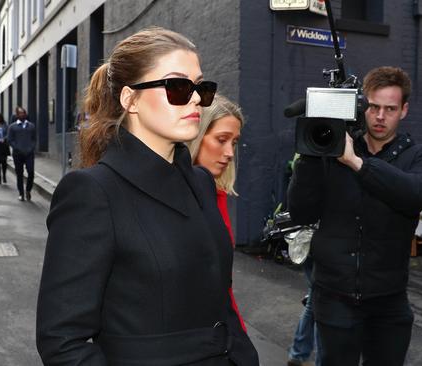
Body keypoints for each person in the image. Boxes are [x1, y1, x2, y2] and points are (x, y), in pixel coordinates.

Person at [36, 27, 259, 366]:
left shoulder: (200, 182)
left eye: (201, 86)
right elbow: (63, 341)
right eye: (178, 86)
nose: (197, 98)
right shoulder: (92, 193)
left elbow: (220, 299)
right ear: (131, 99)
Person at [287, 66, 422, 366]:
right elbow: (301, 211)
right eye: (373, 107)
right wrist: (311, 151)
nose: (380, 116)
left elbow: (417, 194)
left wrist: (357, 163)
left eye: (390, 108)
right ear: (362, 105)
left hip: (389, 300)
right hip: (333, 297)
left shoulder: (421, 157)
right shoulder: (334, 151)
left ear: (404, 110)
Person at [187, 94, 247, 333]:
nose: (230, 152)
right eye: (222, 139)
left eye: (234, 142)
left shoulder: (217, 195)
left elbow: (225, 287)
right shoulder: (170, 195)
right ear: (196, 136)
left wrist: (239, 337)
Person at [7, 106, 36, 201]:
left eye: (23, 113)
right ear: (17, 115)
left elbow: (34, 139)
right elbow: (10, 140)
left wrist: (31, 147)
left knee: (31, 172)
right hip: (18, 154)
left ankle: (28, 190)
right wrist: (17, 147)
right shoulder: (12, 127)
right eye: (20, 113)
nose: (22, 115)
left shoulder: (31, 126)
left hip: (29, 153)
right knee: (19, 174)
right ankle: (21, 193)